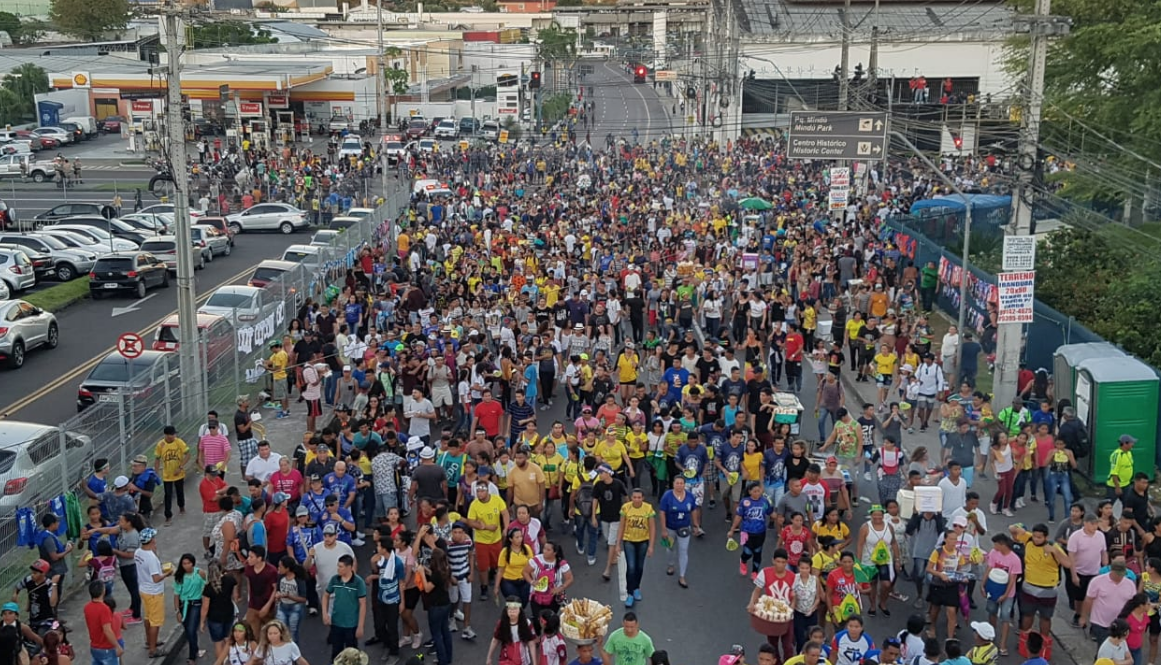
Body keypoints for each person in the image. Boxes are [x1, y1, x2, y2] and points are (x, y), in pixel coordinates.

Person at [321, 553, 367, 659]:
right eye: (338, 566)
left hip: (351, 624)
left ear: (349, 567)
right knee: (336, 651)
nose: (338, 569)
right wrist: (325, 614)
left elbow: (363, 604)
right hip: (336, 622)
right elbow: (326, 595)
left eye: (341, 566)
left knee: (352, 652)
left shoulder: (358, 582)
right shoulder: (335, 579)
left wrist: (360, 626)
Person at [135, 527, 171, 658]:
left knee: (148, 617)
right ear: (151, 540)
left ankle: (149, 640)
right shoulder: (150, 558)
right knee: (156, 621)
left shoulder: (138, 552)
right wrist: (167, 574)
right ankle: (153, 649)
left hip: (143, 589)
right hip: (154, 592)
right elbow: (156, 578)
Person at [1082, 560, 1138, 643]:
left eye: (1122, 574)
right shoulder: (1097, 581)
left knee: (1115, 648)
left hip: (1121, 624)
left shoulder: (1130, 584)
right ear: (1111, 570)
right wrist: (1084, 617)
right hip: (1100, 622)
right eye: (1118, 574)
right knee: (1104, 646)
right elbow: (1088, 600)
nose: (1120, 576)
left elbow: (1133, 603)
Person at [617, 488, 656, 607]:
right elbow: (622, 526)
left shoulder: (648, 508)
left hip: (643, 541)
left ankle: (636, 588)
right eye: (634, 497)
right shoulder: (626, 508)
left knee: (639, 566)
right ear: (631, 498)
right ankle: (630, 593)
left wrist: (651, 546)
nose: (637, 500)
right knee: (631, 567)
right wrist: (618, 544)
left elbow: (652, 528)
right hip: (629, 540)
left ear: (643, 498)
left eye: (639, 497)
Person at [658, 475, 695, 588]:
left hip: (684, 528)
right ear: (673, 484)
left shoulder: (690, 496)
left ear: (684, 484)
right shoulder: (667, 496)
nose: (679, 485)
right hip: (670, 527)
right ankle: (671, 564)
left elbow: (693, 510)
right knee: (670, 548)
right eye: (677, 483)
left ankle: (682, 576)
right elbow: (662, 512)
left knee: (683, 550)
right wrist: (663, 529)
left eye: (681, 483)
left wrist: (696, 525)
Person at [421, 548, 454, 665]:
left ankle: (442, 660)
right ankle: (448, 658)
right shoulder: (446, 569)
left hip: (436, 607)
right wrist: (425, 570)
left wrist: (421, 573)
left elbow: (427, 587)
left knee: (437, 635)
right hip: (446, 604)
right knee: (445, 631)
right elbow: (435, 576)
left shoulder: (436, 575)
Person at [173, 553, 207, 665]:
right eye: (184, 563)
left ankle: (192, 656)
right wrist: (177, 610)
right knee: (188, 630)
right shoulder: (179, 576)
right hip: (184, 604)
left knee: (192, 630)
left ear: (193, 563)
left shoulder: (199, 573)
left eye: (189, 563)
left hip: (196, 604)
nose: (186, 565)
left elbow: (206, 587)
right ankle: (196, 648)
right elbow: (176, 595)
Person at [485, 598, 539, 665]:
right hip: (506, 659)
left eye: (515, 609)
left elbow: (531, 643)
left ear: (520, 610)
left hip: (523, 661)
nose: (512, 612)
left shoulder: (527, 623)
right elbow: (495, 640)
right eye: (510, 609)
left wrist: (535, 663)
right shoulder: (501, 623)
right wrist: (489, 658)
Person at [84, 583, 122, 665]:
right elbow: (107, 630)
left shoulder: (87, 607)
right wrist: (117, 646)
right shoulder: (104, 609)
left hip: (94, 647)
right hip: (106, 648)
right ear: (103, 591)